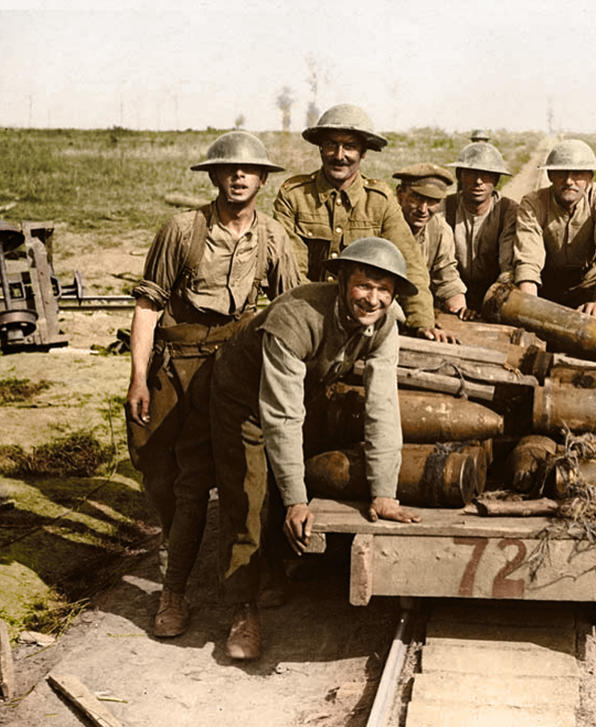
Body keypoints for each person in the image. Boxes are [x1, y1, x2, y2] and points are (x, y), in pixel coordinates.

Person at [210, 237, 421, 660]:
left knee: (305, 470)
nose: (373, 299)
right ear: (342, 282)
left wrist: (383, 492)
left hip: (302, 391)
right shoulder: (296, 317)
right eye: (364, 285)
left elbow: (382, 405)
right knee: (248, 494)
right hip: (243, 399)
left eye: (385, 290)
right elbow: (280, 416)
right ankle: (242, 608)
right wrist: (296, 500)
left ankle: (277, 568)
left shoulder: (385, 321)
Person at [125, 131, 299, 638]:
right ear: (214, 176)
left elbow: (288, 310)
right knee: (163, 476)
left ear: (262, 179)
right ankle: (176, 573)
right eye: (228, 168)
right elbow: (148, 305)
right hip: (177, 363)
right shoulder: (181, 230)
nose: (239, 176)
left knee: (239, 478)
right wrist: (139, 378)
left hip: (235, 367)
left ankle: (208, 594)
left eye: (249, 169)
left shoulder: (272, 237)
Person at [272, 103, 454, 343]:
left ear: (363, 152)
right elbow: (291, 273)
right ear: (320, 148)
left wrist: (423, 323)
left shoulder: (379, 200)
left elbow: (410, 264)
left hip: (364, 312)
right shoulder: (294, 196)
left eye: (349, 146)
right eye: (331, 145)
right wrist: (313, 321)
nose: (339, 155)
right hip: (308, 313)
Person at [513, 139, 596, 320]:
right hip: (546, 283)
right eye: (561, 173)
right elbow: (528, 261)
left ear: (590, 178)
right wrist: (531, 310)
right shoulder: (533, 202)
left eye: (578, 174)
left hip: (587, 283)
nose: (569, 181)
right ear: (550, 175)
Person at [443, 141, 518, 310]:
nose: (478, 181)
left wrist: (494, 299)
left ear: (496, 179)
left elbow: (508, 266)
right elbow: (442, 263)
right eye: (471, 173)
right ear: (460, 175)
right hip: (452, 290)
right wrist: (457, 299)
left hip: (492, 292)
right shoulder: (445, 208)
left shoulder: (508, 211)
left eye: (486, 175)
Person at [393, 163, 470, 318]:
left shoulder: (440, 230)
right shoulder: (385, 221)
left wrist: (460, 309)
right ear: (400, 194)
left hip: (418, 307)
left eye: (432, 201)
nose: (423, 209)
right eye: (416, 198)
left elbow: (446, 278)